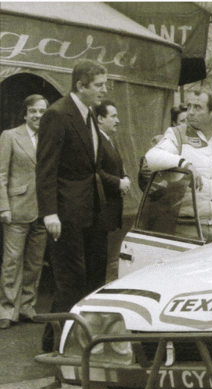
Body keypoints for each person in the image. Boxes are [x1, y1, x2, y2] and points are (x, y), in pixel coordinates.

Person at [37, 59, 108, 351]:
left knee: (92, 277)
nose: (105, 90)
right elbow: (46, 168)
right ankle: (56, 345)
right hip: (65, 212)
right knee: (71, 279)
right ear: (80, 86)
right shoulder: (57, 114)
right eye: (99, 85)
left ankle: (66, 339)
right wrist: (50, 212)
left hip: (91, 209)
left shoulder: (90, 114)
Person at [145, 89, 212, 242]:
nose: (190, 112)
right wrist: (186, 165)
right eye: (189, 106)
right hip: (189, 228)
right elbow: (152, 158)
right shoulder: (176, 134)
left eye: (197, 107)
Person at [0, 95, 49, 329]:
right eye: (33, 111)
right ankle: (7, 309)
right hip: (17, 209)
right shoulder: (10, 136)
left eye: (42, 111)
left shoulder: (50, 138)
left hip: (42, 210)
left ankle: (27, 307)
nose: (38, 115)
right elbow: (1, 175)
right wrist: (4, 206)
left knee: (35, 262)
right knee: (11, 261)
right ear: (25, 114)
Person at [93, 100, 130, 290]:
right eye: (113, 116)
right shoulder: (97, 141)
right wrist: (118, 183)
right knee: (97, 263)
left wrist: (124, 177)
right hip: (99, 212)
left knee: (102, 261)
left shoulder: (108, 140)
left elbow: (114, 166)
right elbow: (96, 171)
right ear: (100, 118)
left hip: (108, 211)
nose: (118, 121)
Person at [138, 105, 187, 191]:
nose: (187, 124)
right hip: (167, 193)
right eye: (182, 121)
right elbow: (147, 174)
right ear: (174, 123)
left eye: (189, 120)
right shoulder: (161, 141)